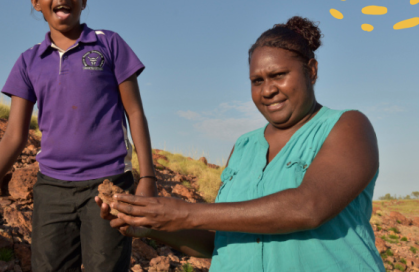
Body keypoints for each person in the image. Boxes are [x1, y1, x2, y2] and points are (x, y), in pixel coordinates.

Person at [97, 16, 386, 271]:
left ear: (311, 71)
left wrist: (182, 212)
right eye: (256, 81)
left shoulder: (347, 126)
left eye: (279, 76)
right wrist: (152, 227)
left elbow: (309, 207)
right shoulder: (244, 146)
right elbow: (221, 243)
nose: (268, 90)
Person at [0, 0, 157, 271]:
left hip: (108, 184)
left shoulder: (108, 44)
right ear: (36, 1)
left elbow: (135, 112)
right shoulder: (28, 61)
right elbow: (13, 137)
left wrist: (147, 178)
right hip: (52, 189)